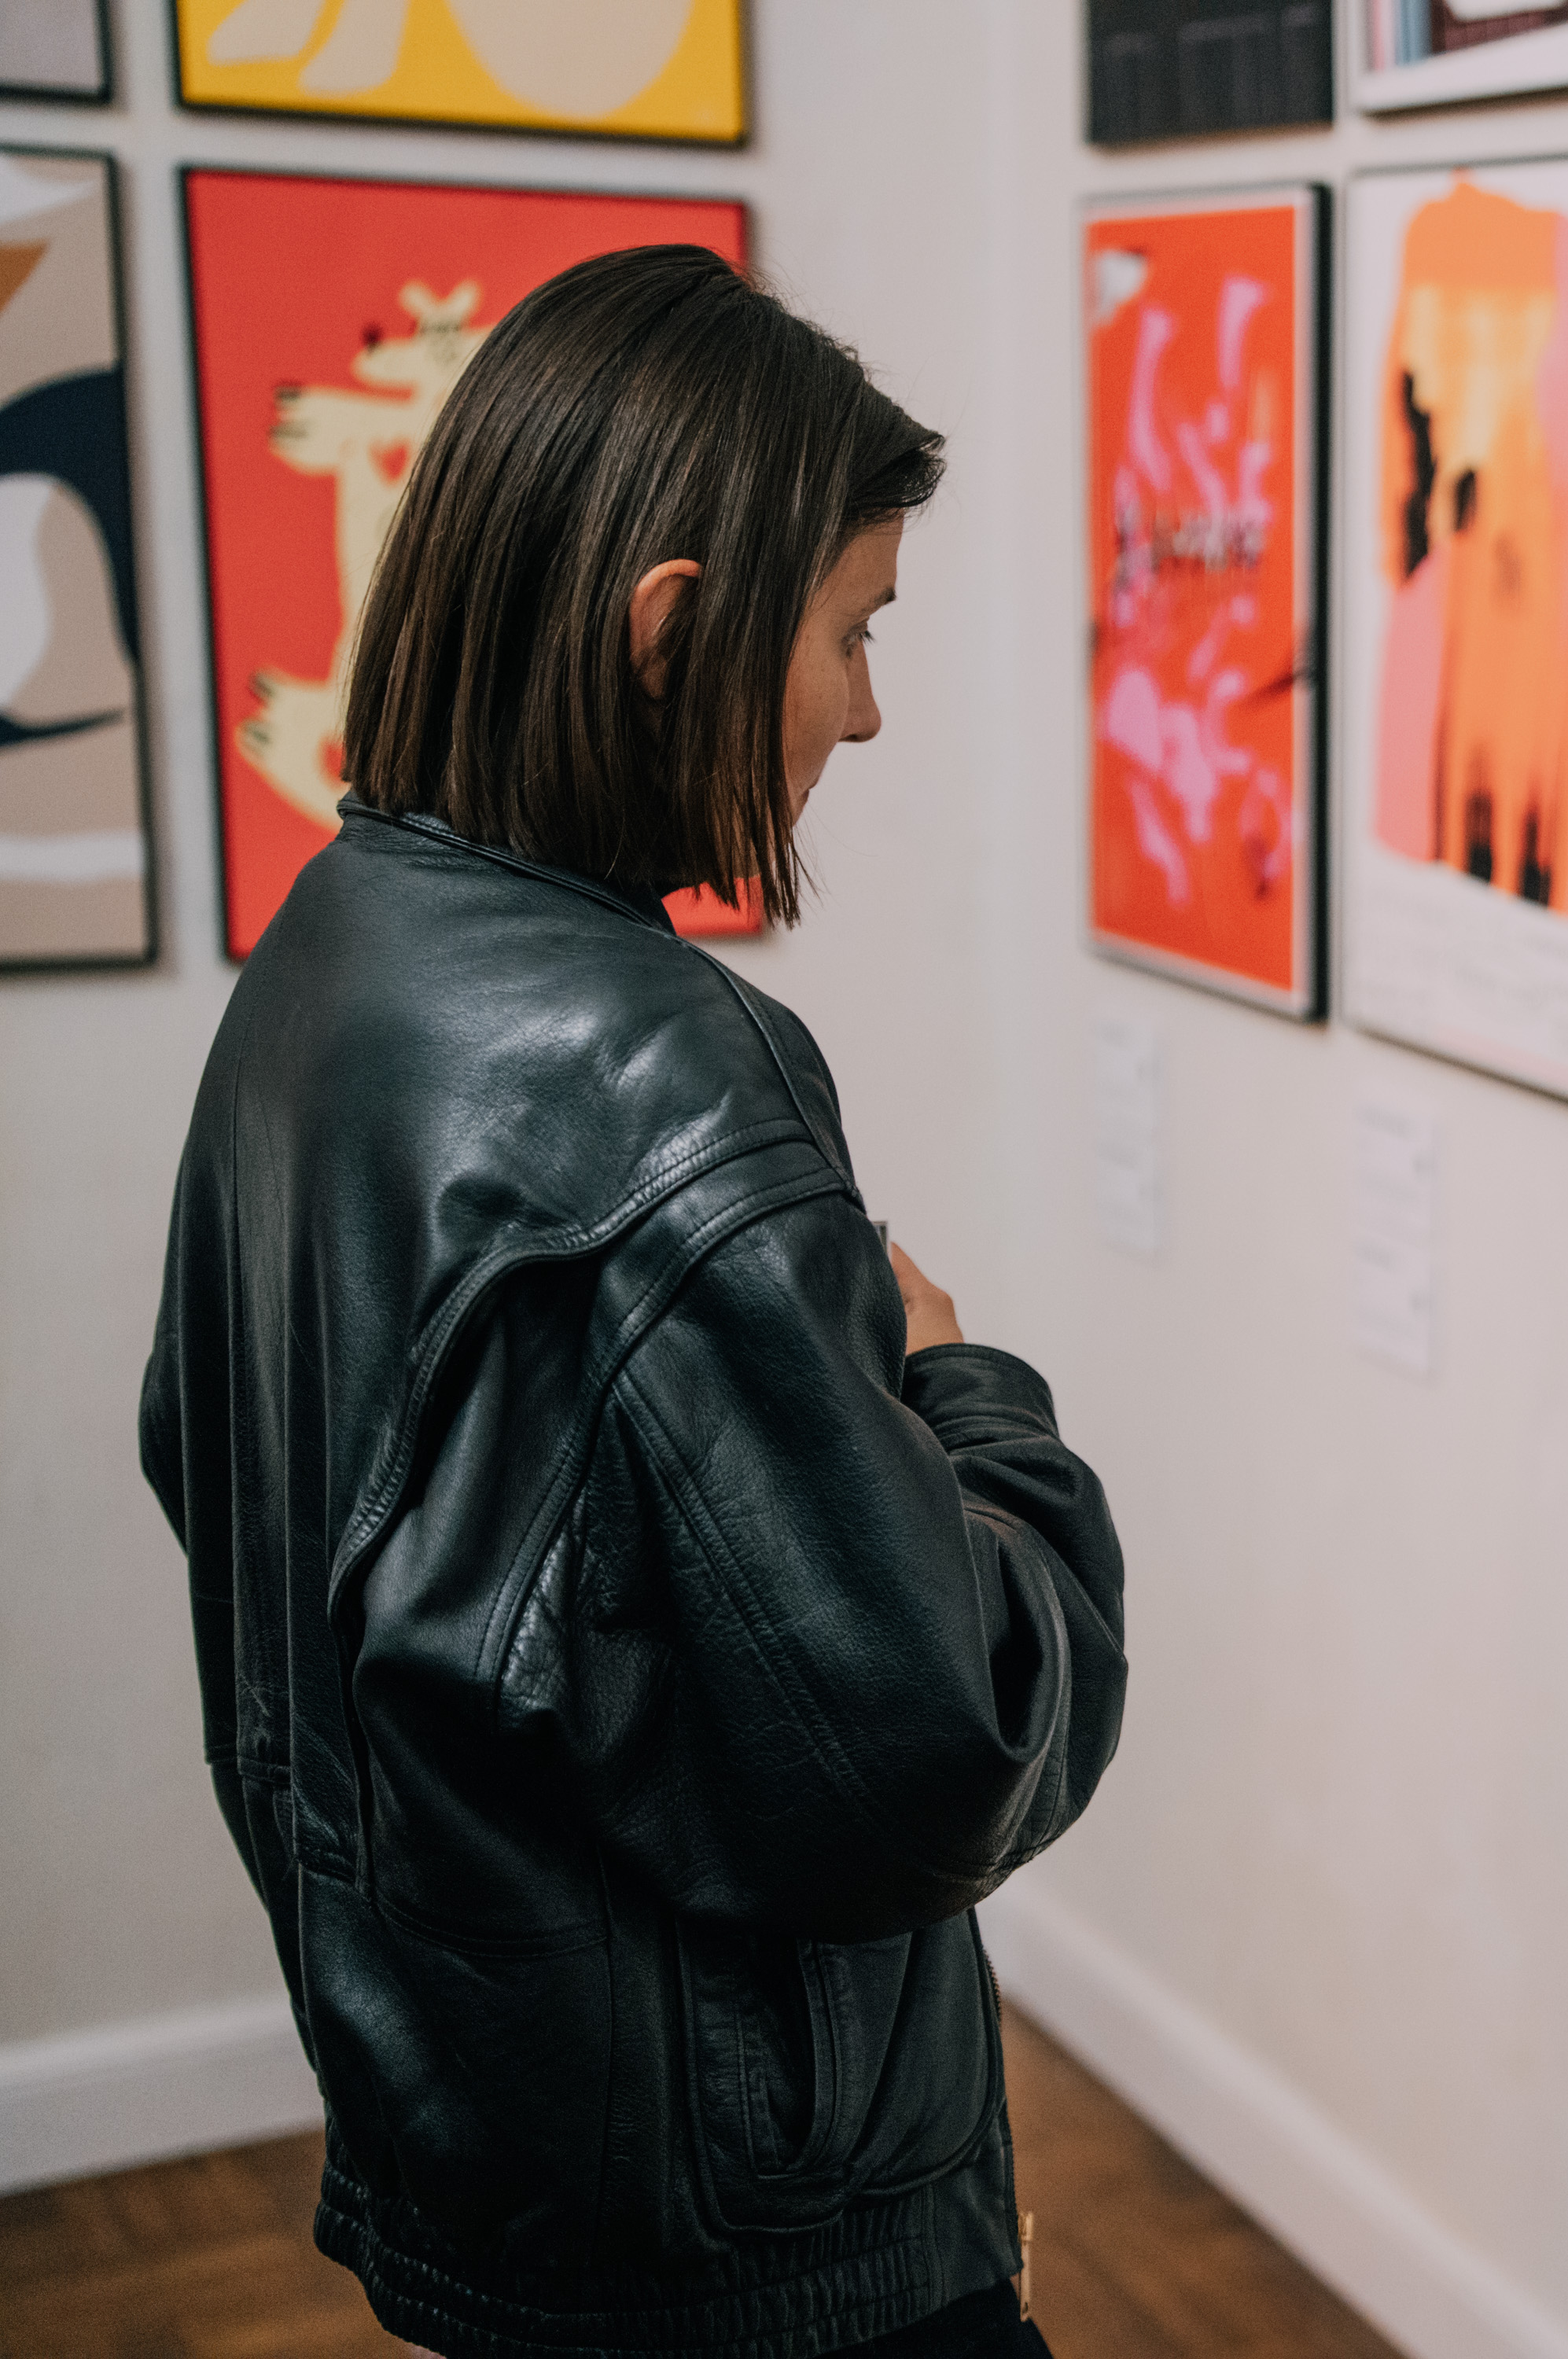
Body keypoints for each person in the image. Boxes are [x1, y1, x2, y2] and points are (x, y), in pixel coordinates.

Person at [138, 248, 1128, 2359]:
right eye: (851, 631)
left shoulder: (323, 963)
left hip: (483, 2162)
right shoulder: (665, 1073)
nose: (865, 708)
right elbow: (940, 1748)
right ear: (671, 630)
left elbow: (247, 1500)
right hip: (753, 2261)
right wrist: (963, 1392)